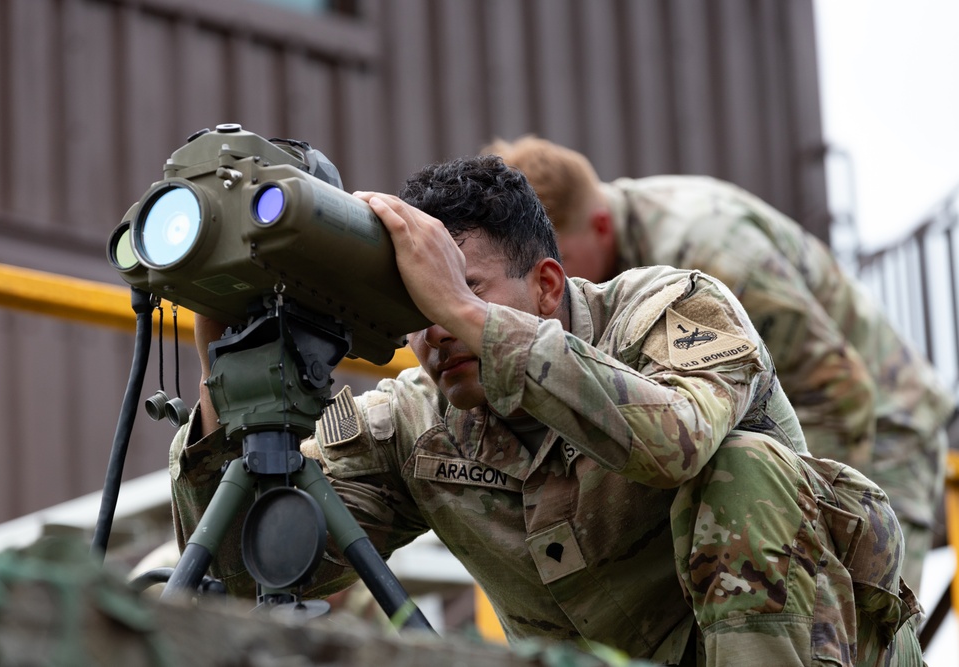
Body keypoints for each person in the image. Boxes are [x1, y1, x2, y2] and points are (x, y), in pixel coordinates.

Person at [170, 154, 921, 665]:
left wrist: (466, 313)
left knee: (746, 470)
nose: (435, 328)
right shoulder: (415, 422)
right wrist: (221, 381)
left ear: (549, 286)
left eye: (463, 287)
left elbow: (675, 442)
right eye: (419, 302)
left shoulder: (670, 311)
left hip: (822, 646)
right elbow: (252, 569)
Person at [483, 135, 956, 592]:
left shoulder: (710, 252)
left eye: (555, 261)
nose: (550, 288)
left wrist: (814, 532)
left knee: (853, 620)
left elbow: (838, 388)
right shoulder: (612, 238)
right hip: (765, 417)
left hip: (880, 425)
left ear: (600, 226)